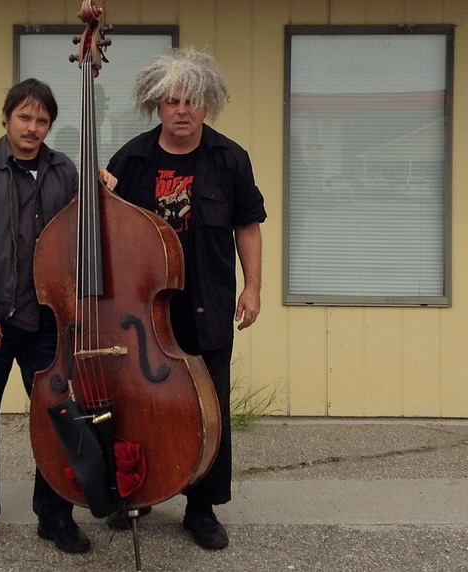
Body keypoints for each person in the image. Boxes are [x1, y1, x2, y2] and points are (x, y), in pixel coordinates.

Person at [105, 47, 267, 550]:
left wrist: (254, 287)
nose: (182, 110)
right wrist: (96, 188)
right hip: (141, 309)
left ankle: (202, 509)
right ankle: (141, 488)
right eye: (173, 100)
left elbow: (248, 226)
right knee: (139, 401)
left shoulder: (230, 159)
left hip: (208, 303)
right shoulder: (130, 159)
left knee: (208, 407)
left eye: (192, 101)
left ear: (207, 105)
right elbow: (103, 227)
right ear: (157, 104)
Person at [0, 78, 115, 558]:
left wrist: (100, 183)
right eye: (25, 117)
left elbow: (88, 228)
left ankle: (55, 515)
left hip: (49, 323)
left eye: (42, 120)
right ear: (7, 117)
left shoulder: (65, 170)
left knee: (55, 421)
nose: (33, 127)